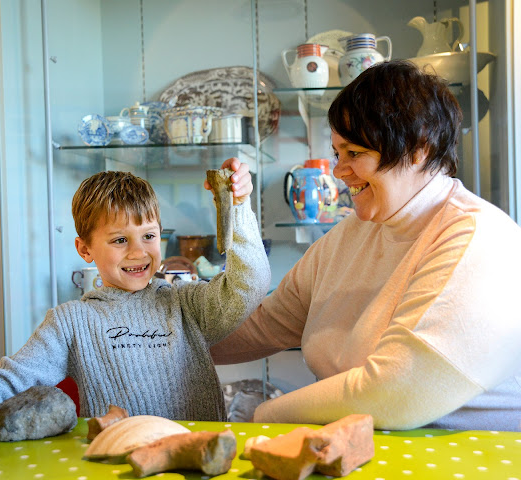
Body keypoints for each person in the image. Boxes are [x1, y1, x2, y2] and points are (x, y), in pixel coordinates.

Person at [210, 60, 521, 431]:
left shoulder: (478, 241)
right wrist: (149, 338)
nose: (339, 171)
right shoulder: (353, 234)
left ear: (419, 146)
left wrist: (262, 419)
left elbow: (395, 393)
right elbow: (266, 324)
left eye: (354, 153)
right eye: (337, 153)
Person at [0, 165, 270, 451]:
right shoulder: (70, 321)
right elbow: (11, 379)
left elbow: (250, 283)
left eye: (150, 236)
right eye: (120, 240)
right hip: (120, 464)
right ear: (85, 250)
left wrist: (238, 206)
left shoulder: (187, 302)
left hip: (202, 456)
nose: (139, 252)